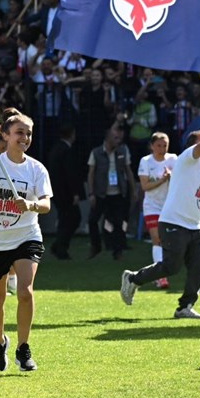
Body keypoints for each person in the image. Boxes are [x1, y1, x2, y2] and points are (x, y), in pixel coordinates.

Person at [120, 108, 200, 319]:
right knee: (171, 267)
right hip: (173, 222)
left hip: (195, 225)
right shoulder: (187, 158)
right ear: (194, 147)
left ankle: (184, 307)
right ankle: (133, 279)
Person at [0, 113, 52, 372]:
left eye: (28, 133)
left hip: (26, 236)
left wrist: (31, 205)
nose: (25, 138)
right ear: (5, 135)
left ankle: (23, 348)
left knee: (25, 292)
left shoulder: (37, 169)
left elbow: (46, 204)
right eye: (19, 133)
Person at [86, 126, 136, 260]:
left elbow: (128, 171)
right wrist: (91, 193)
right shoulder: (96, 153)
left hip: (118, 193)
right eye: (115, 138)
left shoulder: (122, 151)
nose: (118, 140)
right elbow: (91, 174)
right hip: (101, 194)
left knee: (119, 223)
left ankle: (118, 251)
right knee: (92, 220)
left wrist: (133, 190)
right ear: (108, 138)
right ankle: (96, 246)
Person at [138, 131, 177, 291]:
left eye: (165, 145)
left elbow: (181, 179)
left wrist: (171, 176)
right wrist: (162, 179)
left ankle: (160, 271)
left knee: (169, 241)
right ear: (152, 146)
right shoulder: (146, 161)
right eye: (159, 145)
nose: (162, 149)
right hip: (152, 206)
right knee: (157, 239)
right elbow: (145, 186)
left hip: (169, 206)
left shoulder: (173, 159)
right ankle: (161, 276)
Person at [45, 122, 80, 260]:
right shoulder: (67, 151)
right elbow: (70, 174)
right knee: (72, 218)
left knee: (65, 219)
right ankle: (61, 247)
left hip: (56, 191)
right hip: (66, 192)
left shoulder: (55, 149)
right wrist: (75, 193)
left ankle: (58, 245)